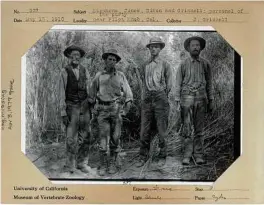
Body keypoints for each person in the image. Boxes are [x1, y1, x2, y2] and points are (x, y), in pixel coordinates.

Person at [89, 49, 133, 176]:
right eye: (109, 59)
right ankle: (102, 164)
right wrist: (93, 110)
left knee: (115, 138)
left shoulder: (121, 76)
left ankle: (112, 163)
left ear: (116, 62)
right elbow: (91, 95)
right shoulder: (98, 76)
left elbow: (129, 94)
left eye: (114, 60)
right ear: (105, 60)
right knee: (103, 140)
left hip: (116, 109)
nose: (112, 62)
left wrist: (126, 109)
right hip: (102, 111)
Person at [175, 36, 214, 165]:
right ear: (189, 48)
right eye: (193, 45)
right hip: (186, 98)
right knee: (187, 128)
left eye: (198, 45)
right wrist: (177, 101)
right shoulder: (183, 64)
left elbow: (210, 83)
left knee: (199, 129)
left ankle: (198, 155)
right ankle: (186, 155)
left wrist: (211, 99)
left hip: (201, 98)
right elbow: (178, 83)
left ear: (200, 48)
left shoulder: (205, 64)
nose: (196, 47)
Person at [135, 37, 173, 168]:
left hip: (160, 98)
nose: (153, 49)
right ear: (149, 48)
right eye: (151, 47)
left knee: (162, 129)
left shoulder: (165, 64)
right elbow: (142, 83)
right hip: (147, 99)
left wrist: (162, 96)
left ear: (160, 49)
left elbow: (169, 84)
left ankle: (162, 156)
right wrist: (144, 97)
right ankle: (142, 156)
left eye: (156, 46)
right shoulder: (144, 65)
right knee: (144, 130)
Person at [59, 45, 92, 174]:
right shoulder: (64, 71)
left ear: (80, 57)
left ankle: (82, 163)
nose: (75, 57)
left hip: (84, 106)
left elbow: (89, 89)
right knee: (71, 137)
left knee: (86, 135)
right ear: (68, 56)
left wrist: (91, 106)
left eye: (77, 55)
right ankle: (70, 165)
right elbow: (61, 92)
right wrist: (63, 111)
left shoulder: (85, 70)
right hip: (71, 106)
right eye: (72, 55)